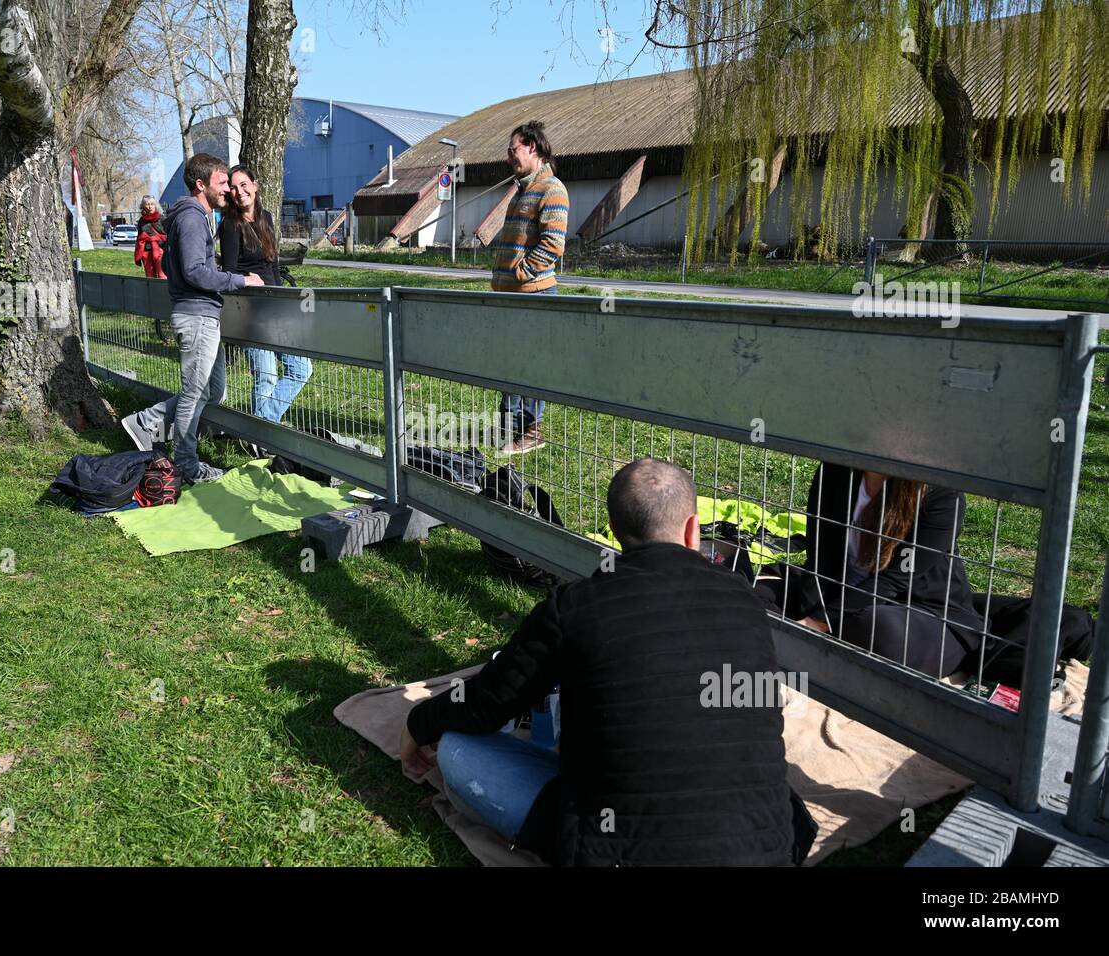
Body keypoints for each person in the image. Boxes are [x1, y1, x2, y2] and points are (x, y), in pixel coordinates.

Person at [400, 458, 801, 866]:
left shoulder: (574, 606)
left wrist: (420, 723)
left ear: (615, 533)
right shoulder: (747, 604)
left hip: (613, 850)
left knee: (457, 750)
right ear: (693, 530)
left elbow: (486, 702)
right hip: (759, 851)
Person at [759, 463, 1093, 683]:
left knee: (876, 628)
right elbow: (820, 556)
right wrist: (809, 612)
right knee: (752, 589)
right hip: (840, 593)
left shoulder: (941, 493)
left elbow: (896, 580)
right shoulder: (834, 469)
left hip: (921, 611)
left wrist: (818, 623)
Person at [119, 153, 253, 484]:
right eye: (222, 183)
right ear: (200, 184)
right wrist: (239, 280)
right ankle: (186, 465)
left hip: (203, 315)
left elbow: (183, 267)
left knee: (214, 390)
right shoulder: (192, 218)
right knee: (194, 393)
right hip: (196, 318)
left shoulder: (191, 217)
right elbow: (194, 271)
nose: (228, 190)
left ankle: (147, 423)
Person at [490, 120, 569, 456]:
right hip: (511, 296)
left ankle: (532, 429)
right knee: (510, 360)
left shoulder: (552, 189)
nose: (510, 157)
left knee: (532, 363)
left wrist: (521, 273)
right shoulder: (521, 190)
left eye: (514, 150)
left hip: (533, 293)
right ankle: (508, 426)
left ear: (533, 148)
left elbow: (553, 244)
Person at [219, 165, 310, 424]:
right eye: (234, 187)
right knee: (266, 375)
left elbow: (272, 264)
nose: (239, 192)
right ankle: (265, 437)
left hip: (275, 307)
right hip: (249, 312)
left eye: (244, 184)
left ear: (255, 185)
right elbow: (229, 273)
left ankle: (263, 427)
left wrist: (281, 300)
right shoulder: (230, 225)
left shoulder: (266, 218)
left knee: (301, 368)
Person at [134, 197, 167, 279]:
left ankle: (163, 291)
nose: (150, 206)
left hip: (160, 250)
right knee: (149, 277)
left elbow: (166, 235)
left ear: (155, 206)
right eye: (147, 204)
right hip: (146, 251)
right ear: (143, 206)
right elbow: (139, 238)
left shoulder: (161, 218)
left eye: (152, 204)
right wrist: (138, 254)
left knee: (162, 276)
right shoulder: (142, 220)